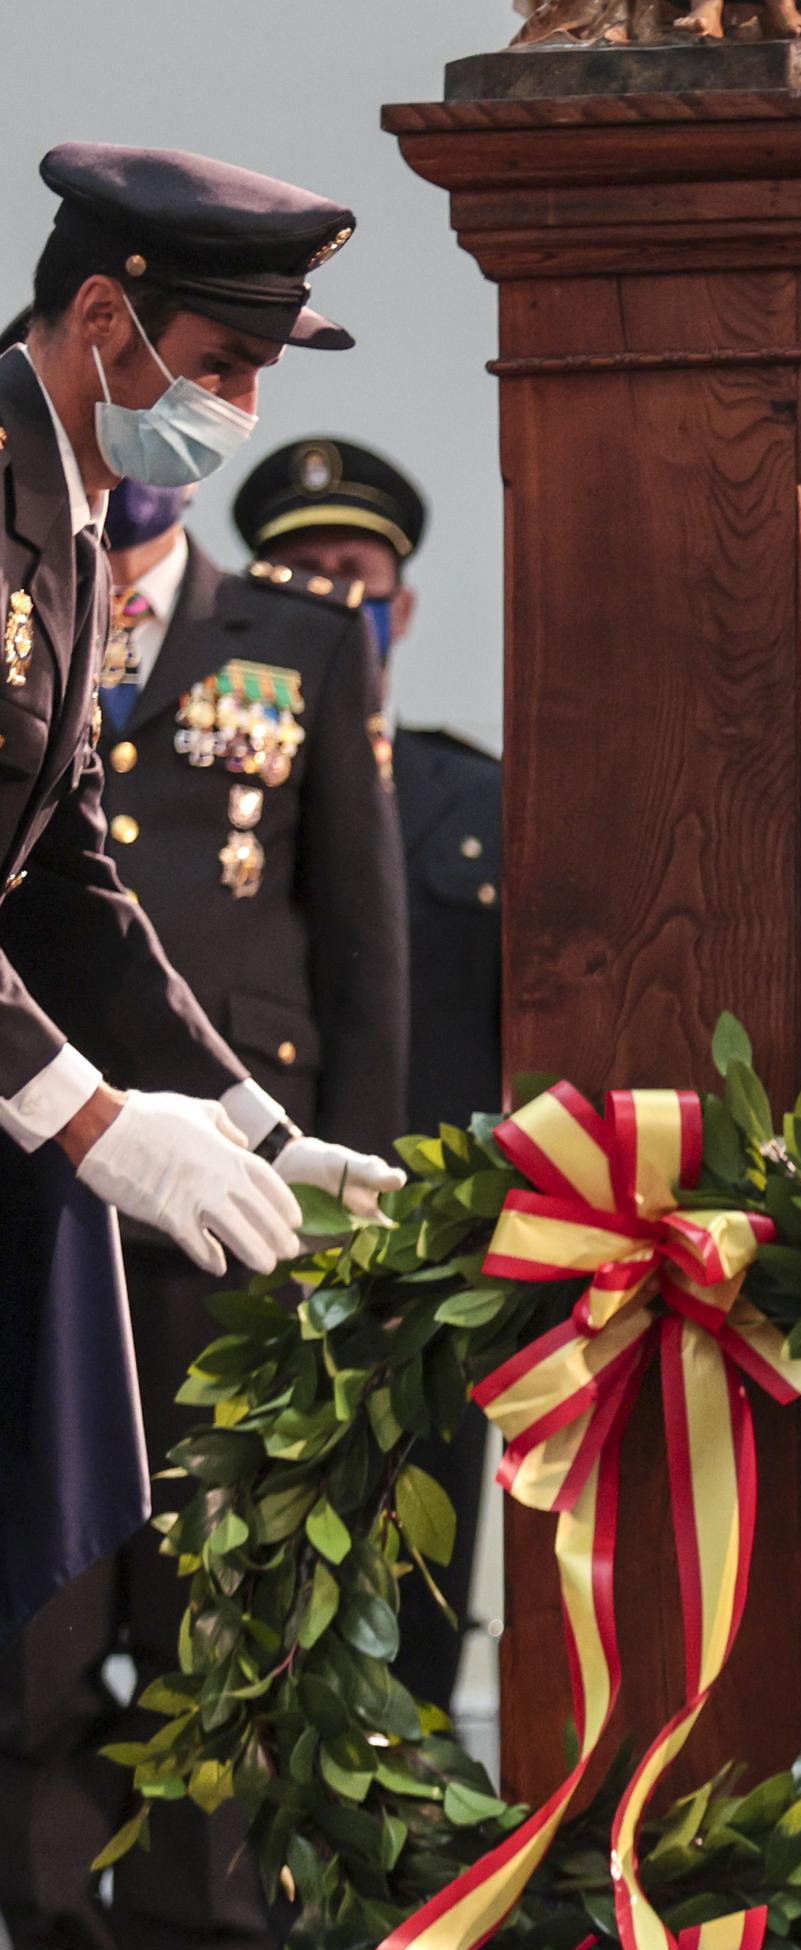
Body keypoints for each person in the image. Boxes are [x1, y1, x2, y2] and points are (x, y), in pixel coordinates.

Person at [0, 143, 407, 1950]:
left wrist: (253, 1124)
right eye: (223, 364)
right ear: (103, 321)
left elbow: (69, 877)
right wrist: (91, 1121)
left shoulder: (65, 514)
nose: (239, 412)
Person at [233, 437, 500, 1712]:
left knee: (416, 1634)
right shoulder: (198, 799)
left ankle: (405, 1911)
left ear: (402, 603)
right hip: (237, 1256)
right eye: (298, 574)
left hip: (422, 1286)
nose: (333, 599)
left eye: (356, 573)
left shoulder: (478, 801)